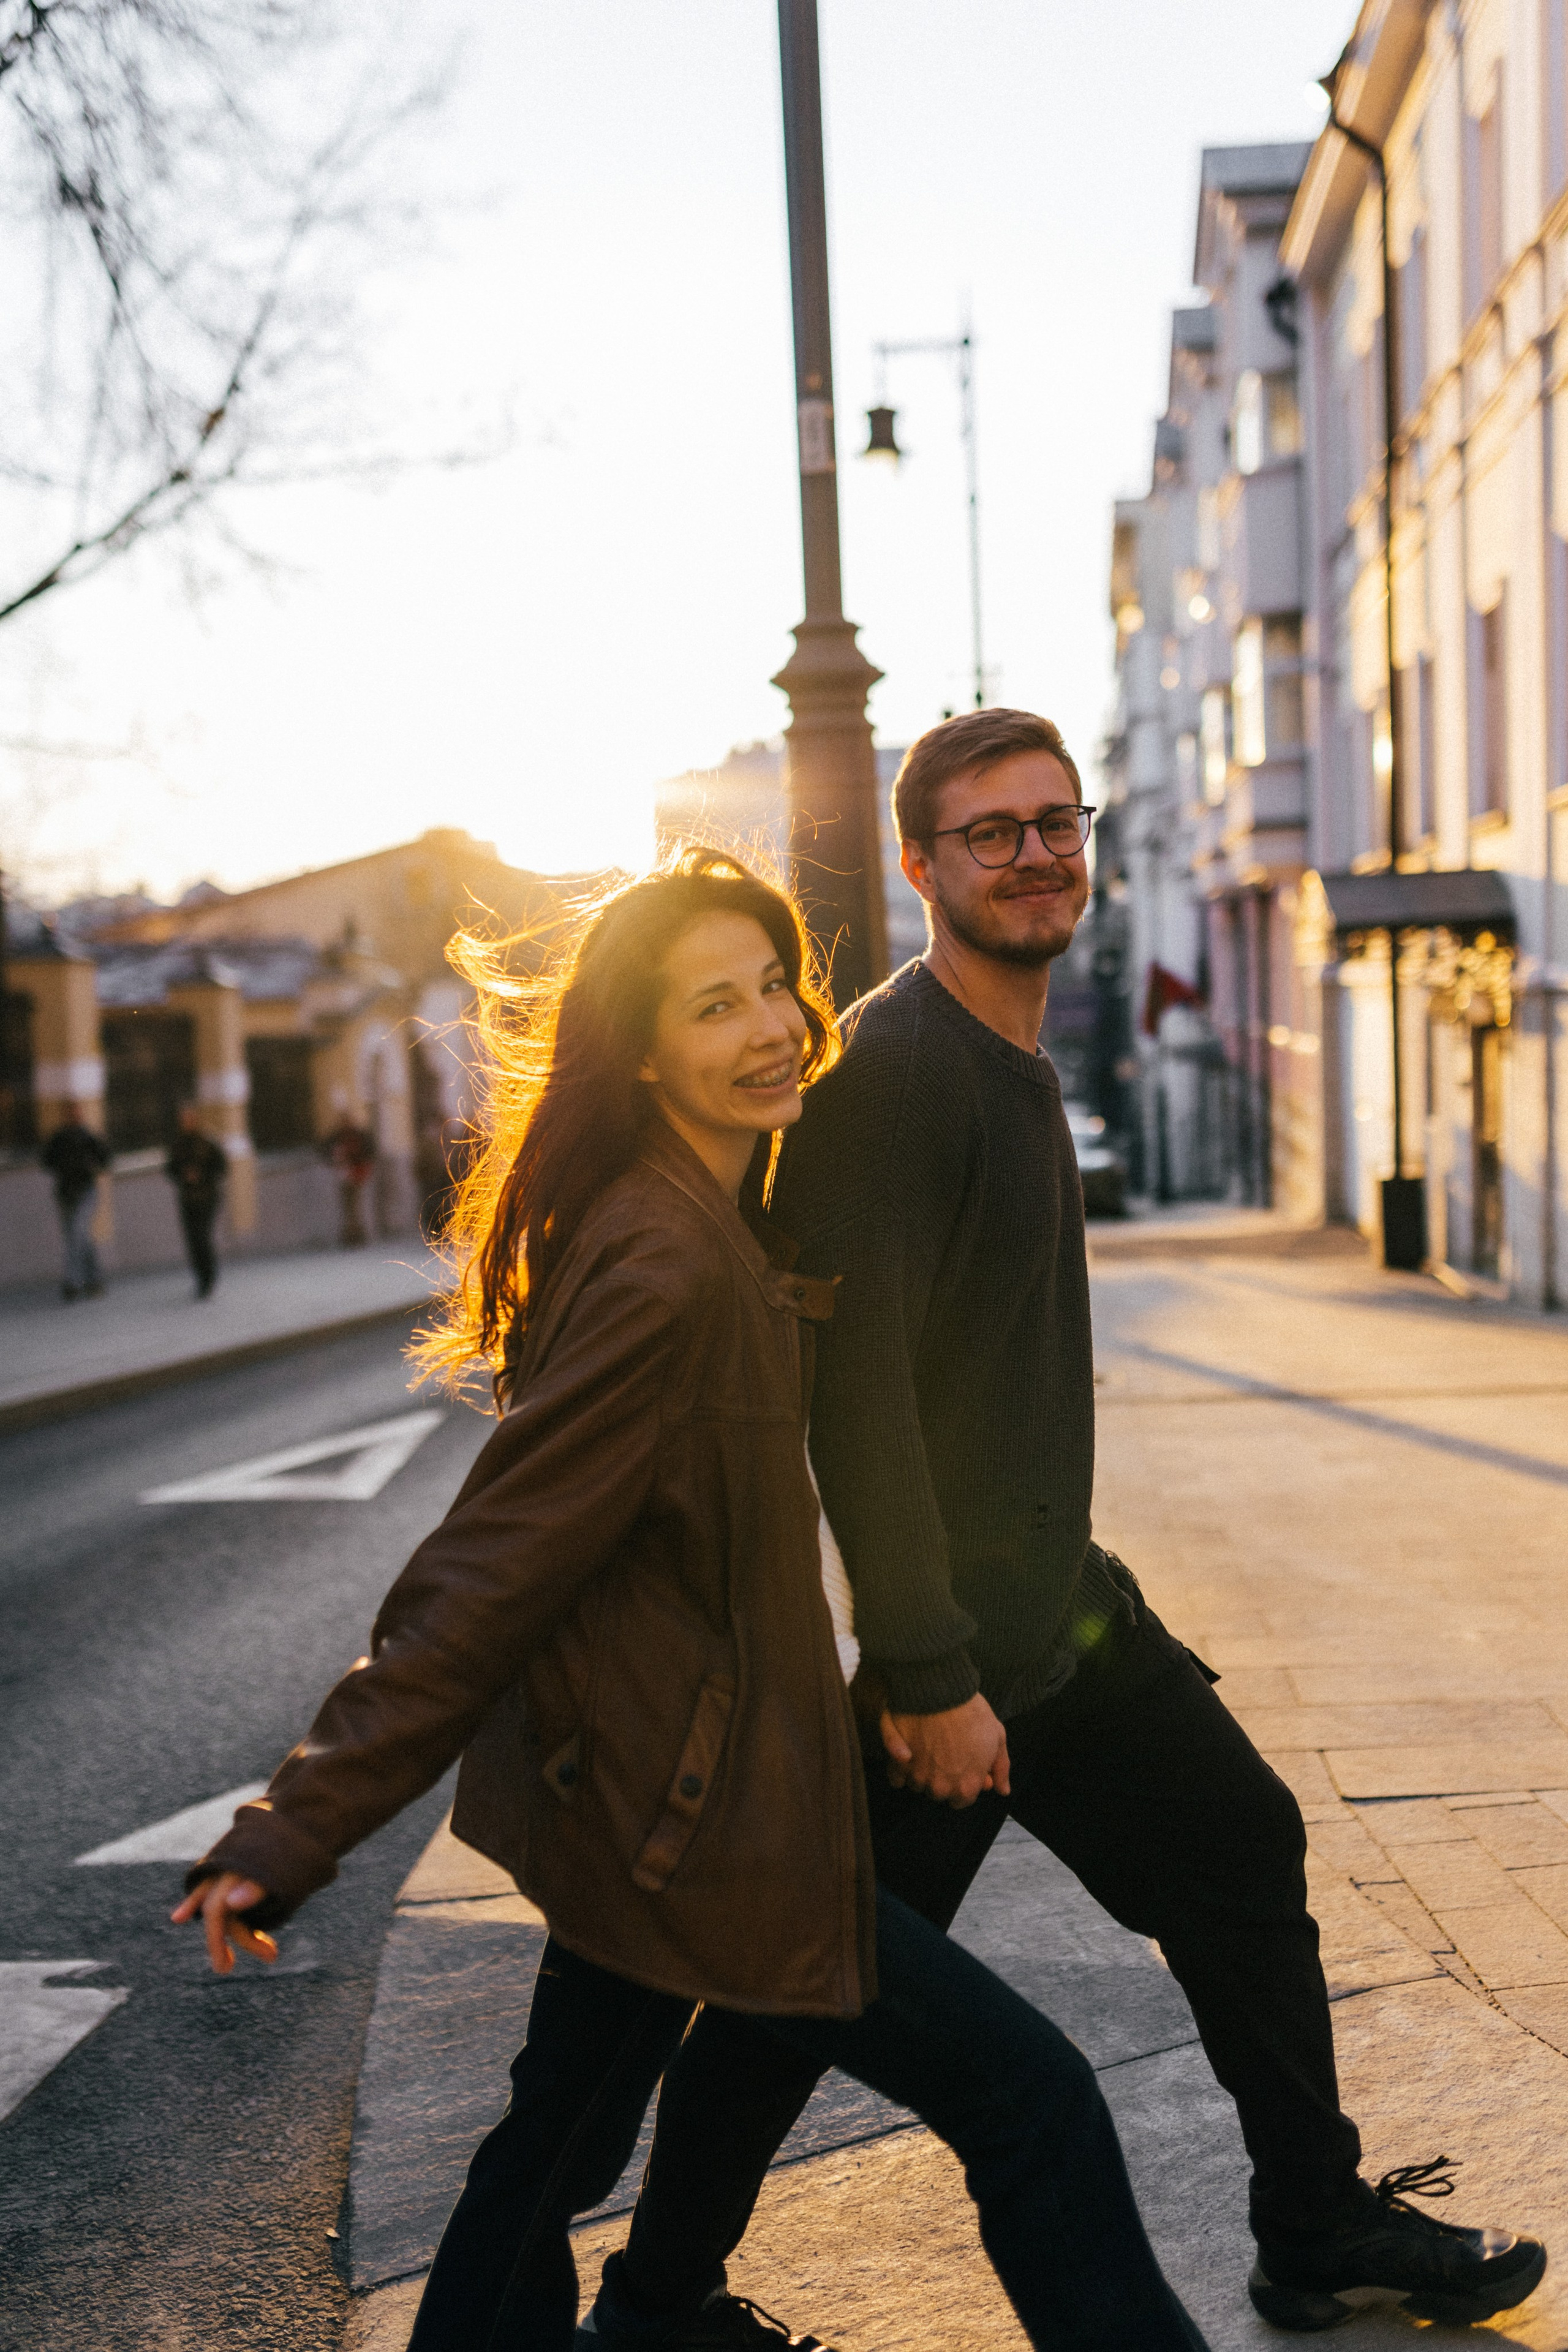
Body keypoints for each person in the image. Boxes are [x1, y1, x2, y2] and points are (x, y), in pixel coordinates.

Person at [172, 848, 1210, 2352]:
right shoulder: (664, 1259)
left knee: (554, 2146)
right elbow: (488, 1566)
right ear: (644, 1048)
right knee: (1030, 2094)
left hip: (654, 1781)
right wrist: (297, 1821)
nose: (771, 1024)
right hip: (704, 1821)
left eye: (775, 984)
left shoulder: (714, 1216)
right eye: (712, 1004)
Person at [591, 712, 1547, 2344]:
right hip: (948, 1651)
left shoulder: (1009, 1054)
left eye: (1057, 822)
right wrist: (921, 1668)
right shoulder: (889, 1080)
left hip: (1054, 1615)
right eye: (991, 833)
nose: (1037, 854)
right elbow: (859, 1396)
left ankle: (1315, 2226)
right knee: (794, 1989)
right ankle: (657, 2302)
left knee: (1240, 1850)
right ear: (919, 866)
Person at [40, 1104, 110, 1300]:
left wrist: (92, 1162)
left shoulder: (89, 1136)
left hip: (86, 1191)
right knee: (79, 1237)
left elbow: (105, 1160)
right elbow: (47, 1161)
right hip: (66, 1193)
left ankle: (72, 1282)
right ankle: (94, 1280)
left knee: (77, 1234)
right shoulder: (59, 1138)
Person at [165, 1104, 228, 1298]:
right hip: (188, 1198)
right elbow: (170, 1169)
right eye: (184, 1120)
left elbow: (222, 1168)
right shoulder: (178, 1144)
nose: (187, 1123)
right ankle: (201, 1279)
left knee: (202, 1238)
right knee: (192, 1241)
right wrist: (184, 1176)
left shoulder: (207, 1142)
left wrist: (201, 1175)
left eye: (190, 1119)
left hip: (207, 1197)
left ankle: (208, 1279)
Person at [323, 1110, 377, 1245]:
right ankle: (352, 1235)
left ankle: (356, 1235)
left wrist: (362, 1163)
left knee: (355, 1206)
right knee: (348, 1207)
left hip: (357, 1172)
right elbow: (325, 1149)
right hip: (344, 1173)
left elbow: (369, 1150)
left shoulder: (357, 1136)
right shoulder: (338, 1137)